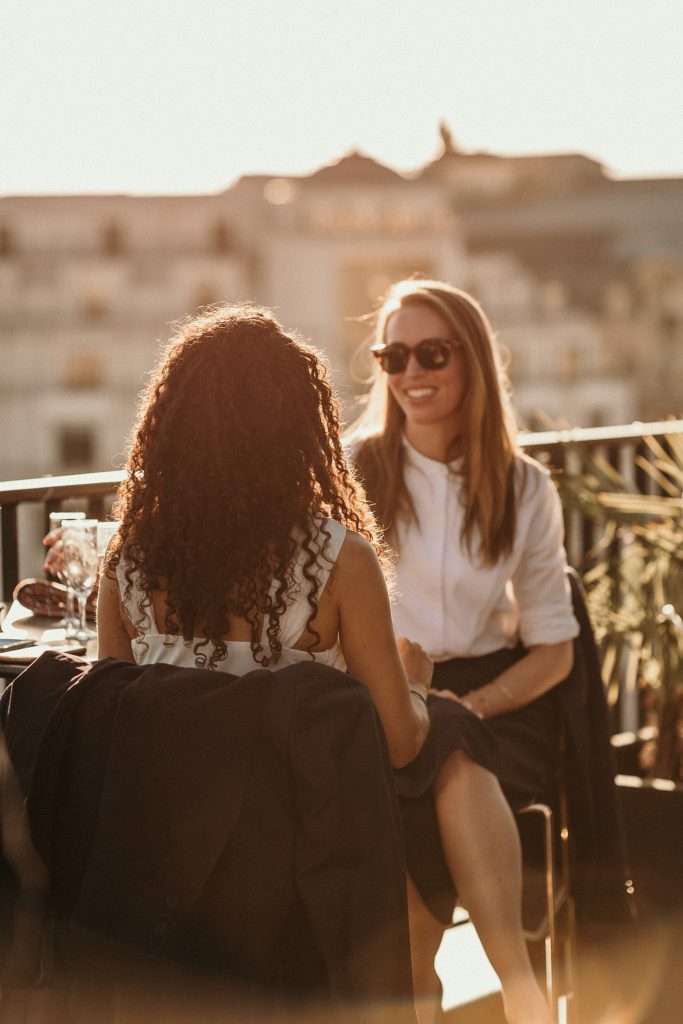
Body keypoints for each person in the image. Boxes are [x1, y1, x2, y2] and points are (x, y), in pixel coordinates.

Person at [348, 279, 580, 1024]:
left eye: (432, 353)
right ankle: (520, 987)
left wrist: (468, 703)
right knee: (426, 756)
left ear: (472, 360)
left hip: (493, 703)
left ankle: (451, 999)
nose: (411, 372)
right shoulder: (351, 471)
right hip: (378, 697)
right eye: (393, 355)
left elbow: (554, 649)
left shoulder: (522, 486)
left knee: (443, 748)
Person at [97, 303, 431, 774]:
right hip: (300, 837)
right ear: (300, 430)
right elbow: (398, 746)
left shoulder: (128, 561)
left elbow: (109, 721)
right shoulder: (338, 561)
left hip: (163, 834)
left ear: (172, 431)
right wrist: (415, 687)